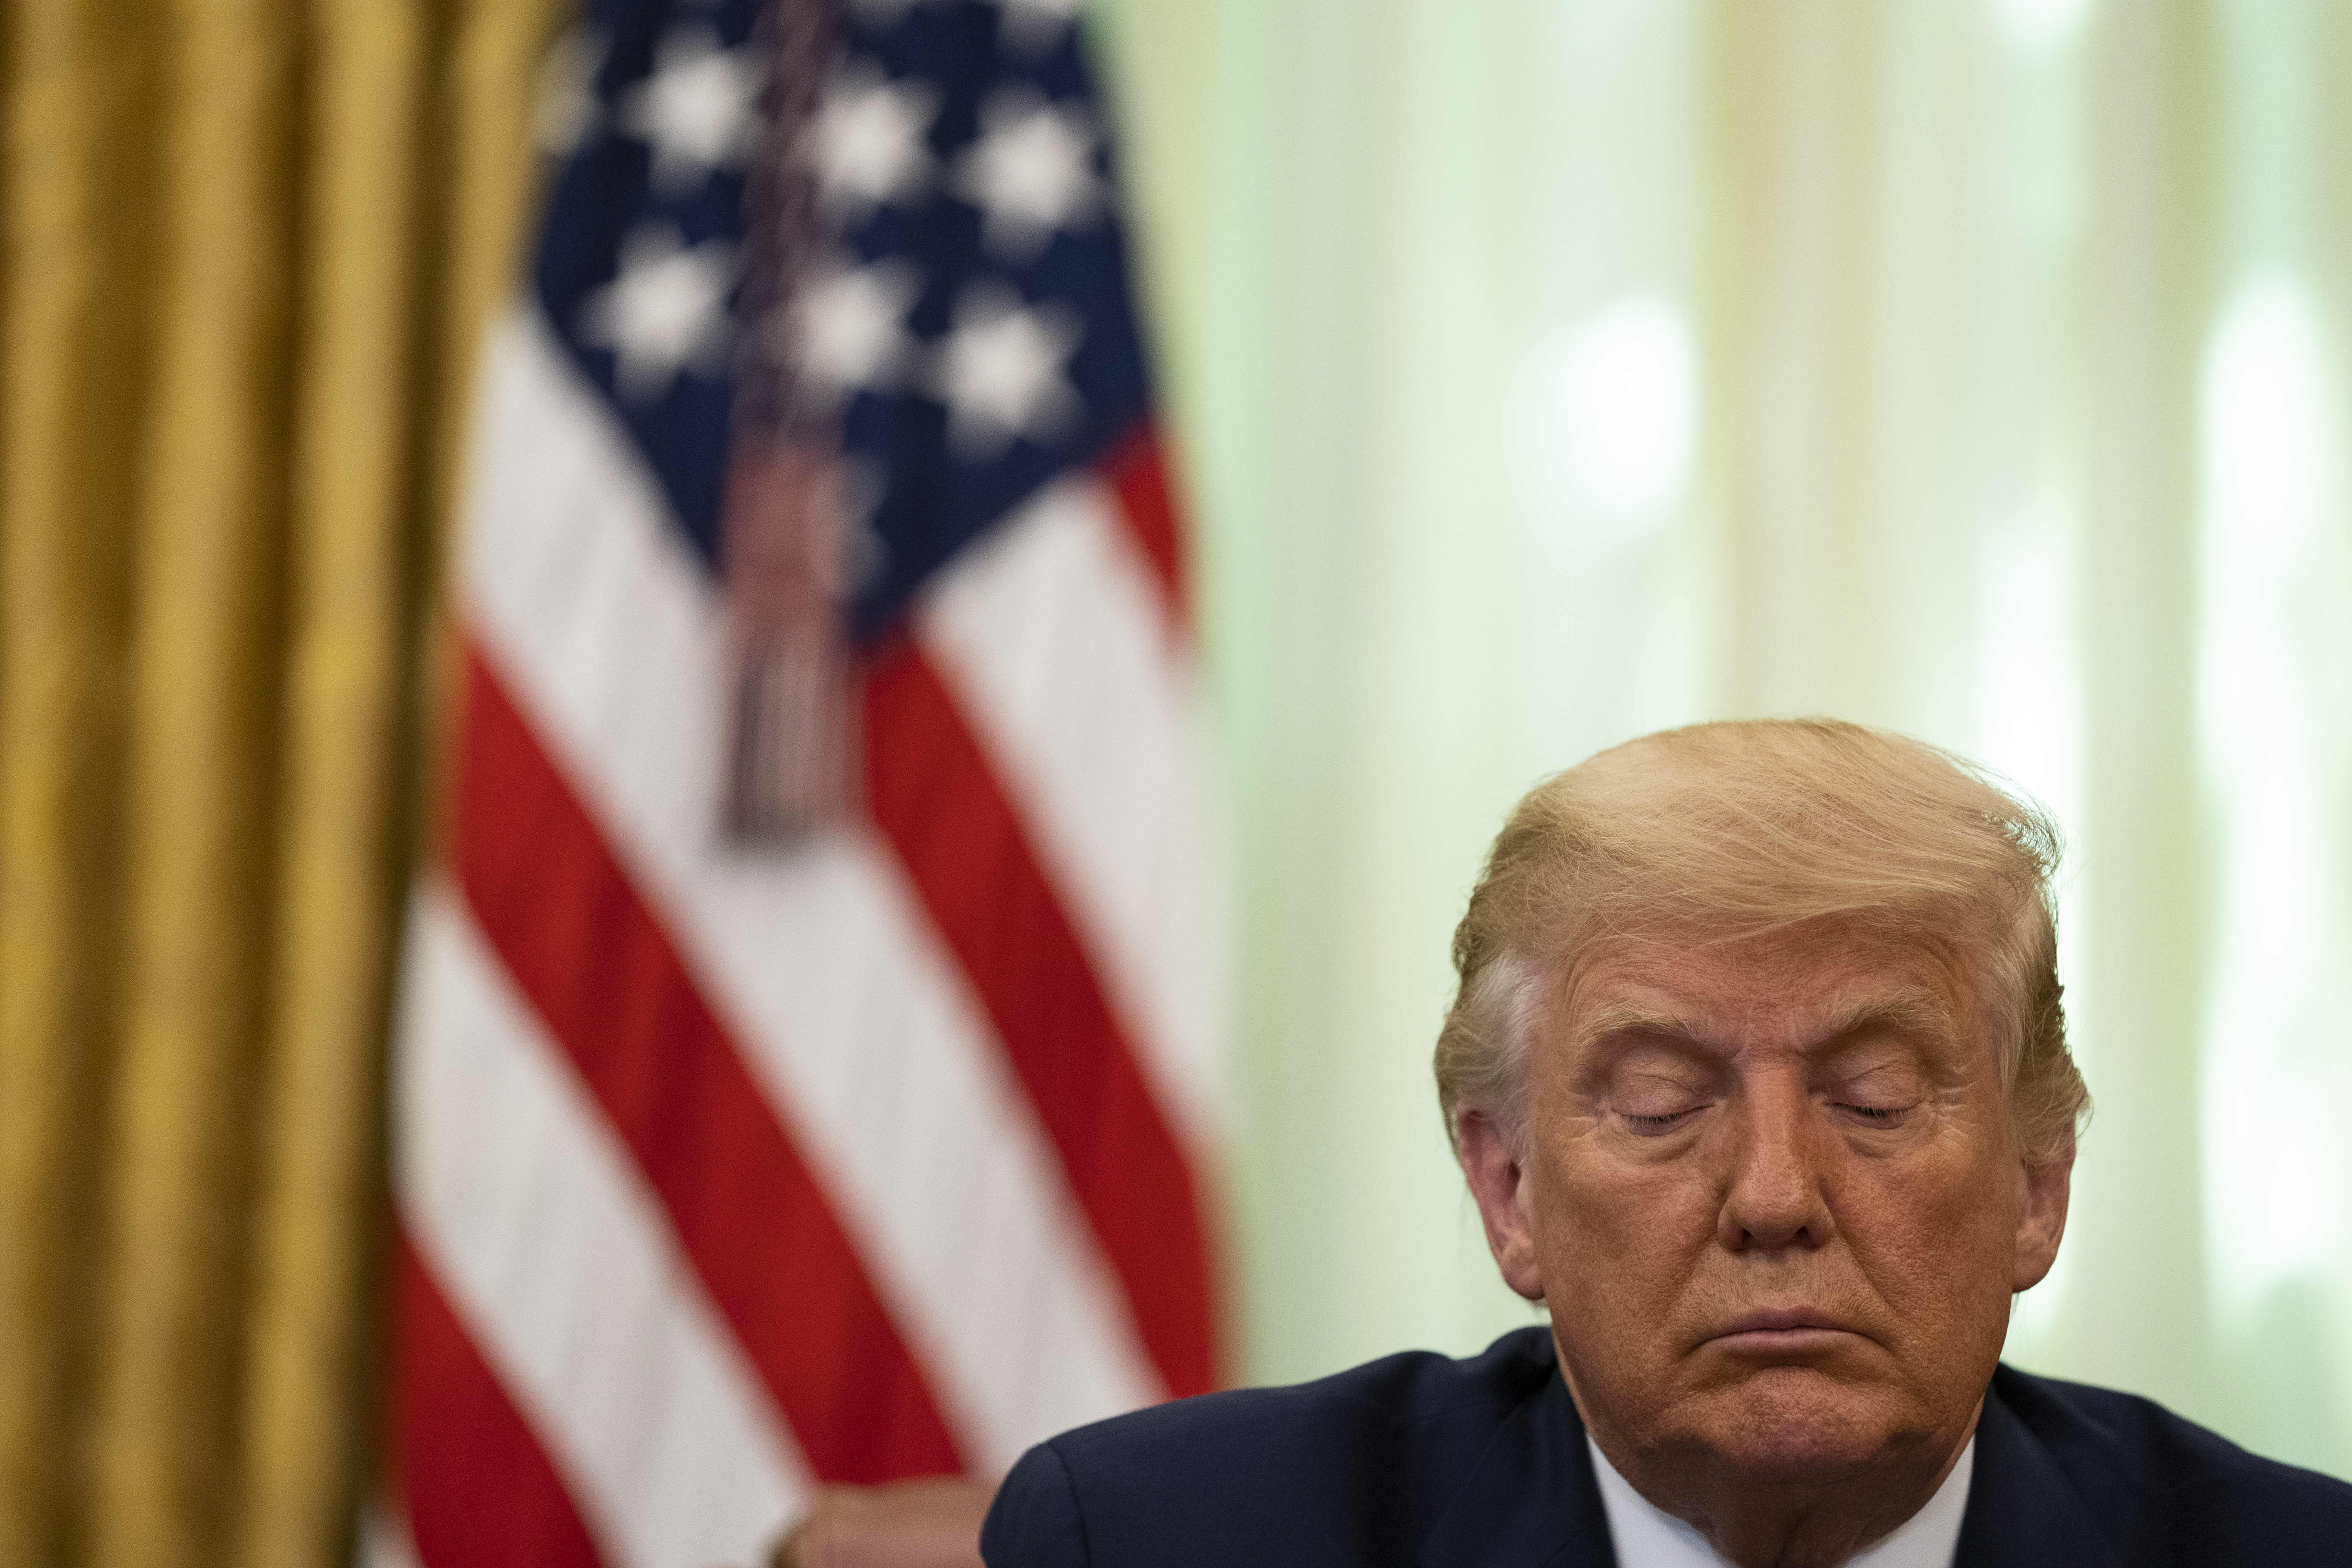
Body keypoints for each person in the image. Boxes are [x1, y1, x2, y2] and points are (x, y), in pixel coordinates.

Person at [978, 719, 2352, 1566]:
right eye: (1658, 1104)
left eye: (1872, 1098)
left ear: (2035, 1188)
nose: (1772, 1196)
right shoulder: (1161, 1543)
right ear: (1506, 1189)